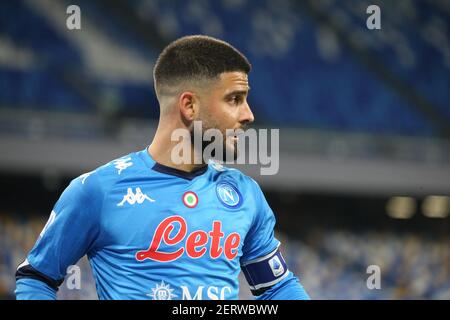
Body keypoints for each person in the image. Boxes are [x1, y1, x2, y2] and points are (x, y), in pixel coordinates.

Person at [15, 35, 310, 300]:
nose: (248, 115)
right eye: (235, 99)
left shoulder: (245, 193)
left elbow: (276, 287)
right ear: (189, 106)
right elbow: (37, 278)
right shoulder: (98, 190)